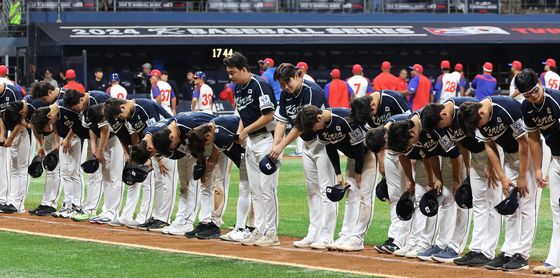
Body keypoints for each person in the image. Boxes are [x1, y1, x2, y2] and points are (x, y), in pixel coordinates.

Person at [458, 95, 538, 271]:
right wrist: (502, 176)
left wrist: (523, 176)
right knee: (510, 205)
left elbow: (524, 143)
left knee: (526, 204)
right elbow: (490, 147)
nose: (480, 128)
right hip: (510, 156)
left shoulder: (508, 108)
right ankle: (509, 250)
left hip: (529, 154)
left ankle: (522, 255)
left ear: (482, 112)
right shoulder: (477, 117)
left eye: (479, 124)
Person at [421, 98, 500, 267]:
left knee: (492, 203)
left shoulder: (464, 111)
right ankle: (476, 249)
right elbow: (462, 144)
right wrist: (469, 168)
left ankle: (487, 251)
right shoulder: (446, 119)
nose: (440, 129)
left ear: (443, 114)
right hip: (476, 158)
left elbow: (489, 136)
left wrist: (492, 164)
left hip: (492, 154)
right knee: (478, 204)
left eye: (439, 125)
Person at [267, 63, 336, 250]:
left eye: (287, 82)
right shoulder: (286, 95)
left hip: (323, 143)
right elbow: (281, 121)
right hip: (307, 145)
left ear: (298, 75)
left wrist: (281, 146)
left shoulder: (311, 91)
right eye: (281, 84)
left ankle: (326, 235)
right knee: (312, 190)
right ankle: (313, 233)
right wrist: (275, 145)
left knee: (326, 189)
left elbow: (301, 124)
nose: (285, 87)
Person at [294, 105, 375, 252]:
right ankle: (345, 236)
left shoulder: (344, 119)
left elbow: (358, 147)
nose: (315, 130)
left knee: (365, 197)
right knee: (351, 196)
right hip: (353, 158)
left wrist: (358, 173)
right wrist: (338, 173)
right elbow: (331, 148)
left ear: (319, 118)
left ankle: (357, 239)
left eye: (314, 127)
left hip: (367, 156)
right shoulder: (320, 128)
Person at [224, 52, 279, 247]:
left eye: (233, 72)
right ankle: (260, 230)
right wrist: (241, 133)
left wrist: (245, 131)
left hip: (266, 139)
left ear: (244, 69)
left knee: (267, 188)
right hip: (251, 141)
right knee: (255, 189)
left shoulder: (259, 84)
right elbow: (242, 115)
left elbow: (269, 116)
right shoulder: (238, 89)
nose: (230, 77)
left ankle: (271, 233)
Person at [511, 69, 560, 275]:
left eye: (534, 91)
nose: (532, 96)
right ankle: (553, 260)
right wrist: (539, 168)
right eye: (527, 94)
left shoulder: (556, 100)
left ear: (540, 82)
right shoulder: (526, 107)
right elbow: (533, 138)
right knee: (557, 210)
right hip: (557, 160)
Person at [352, 90, 410, 254]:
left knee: (406, 196)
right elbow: (376, 138)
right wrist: (382, 161)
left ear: (373, 104)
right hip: (389, 150)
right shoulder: (366, 111)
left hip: (405, 150)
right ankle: (394, 237)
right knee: (393, 196)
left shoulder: (393, 99)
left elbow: (409, 123)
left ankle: (404, 239)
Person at [0, 83, 31, 214]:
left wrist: (10, 139)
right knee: (14, 168)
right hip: (11, 132)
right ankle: (11, 201)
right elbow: (1, 118)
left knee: (22, 167)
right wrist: (2, 136)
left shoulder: (13, 92)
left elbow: (21, 120)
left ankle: (19, 204)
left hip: (24, 131)